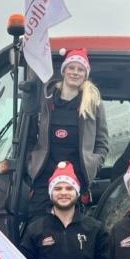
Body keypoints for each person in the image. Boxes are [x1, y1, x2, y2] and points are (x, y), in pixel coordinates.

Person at [27, 47, 109, 217]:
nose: (75, 73)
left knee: (72, 229)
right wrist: (31, 163)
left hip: (76, 177)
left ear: (85, 74)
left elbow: (102, 143)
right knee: (38, 225)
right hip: (45, 176)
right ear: (64, 71)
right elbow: (30, 135)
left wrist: (92, 164)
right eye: (71, 68)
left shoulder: (93, 104)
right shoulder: (46, 100)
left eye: (80, 69)